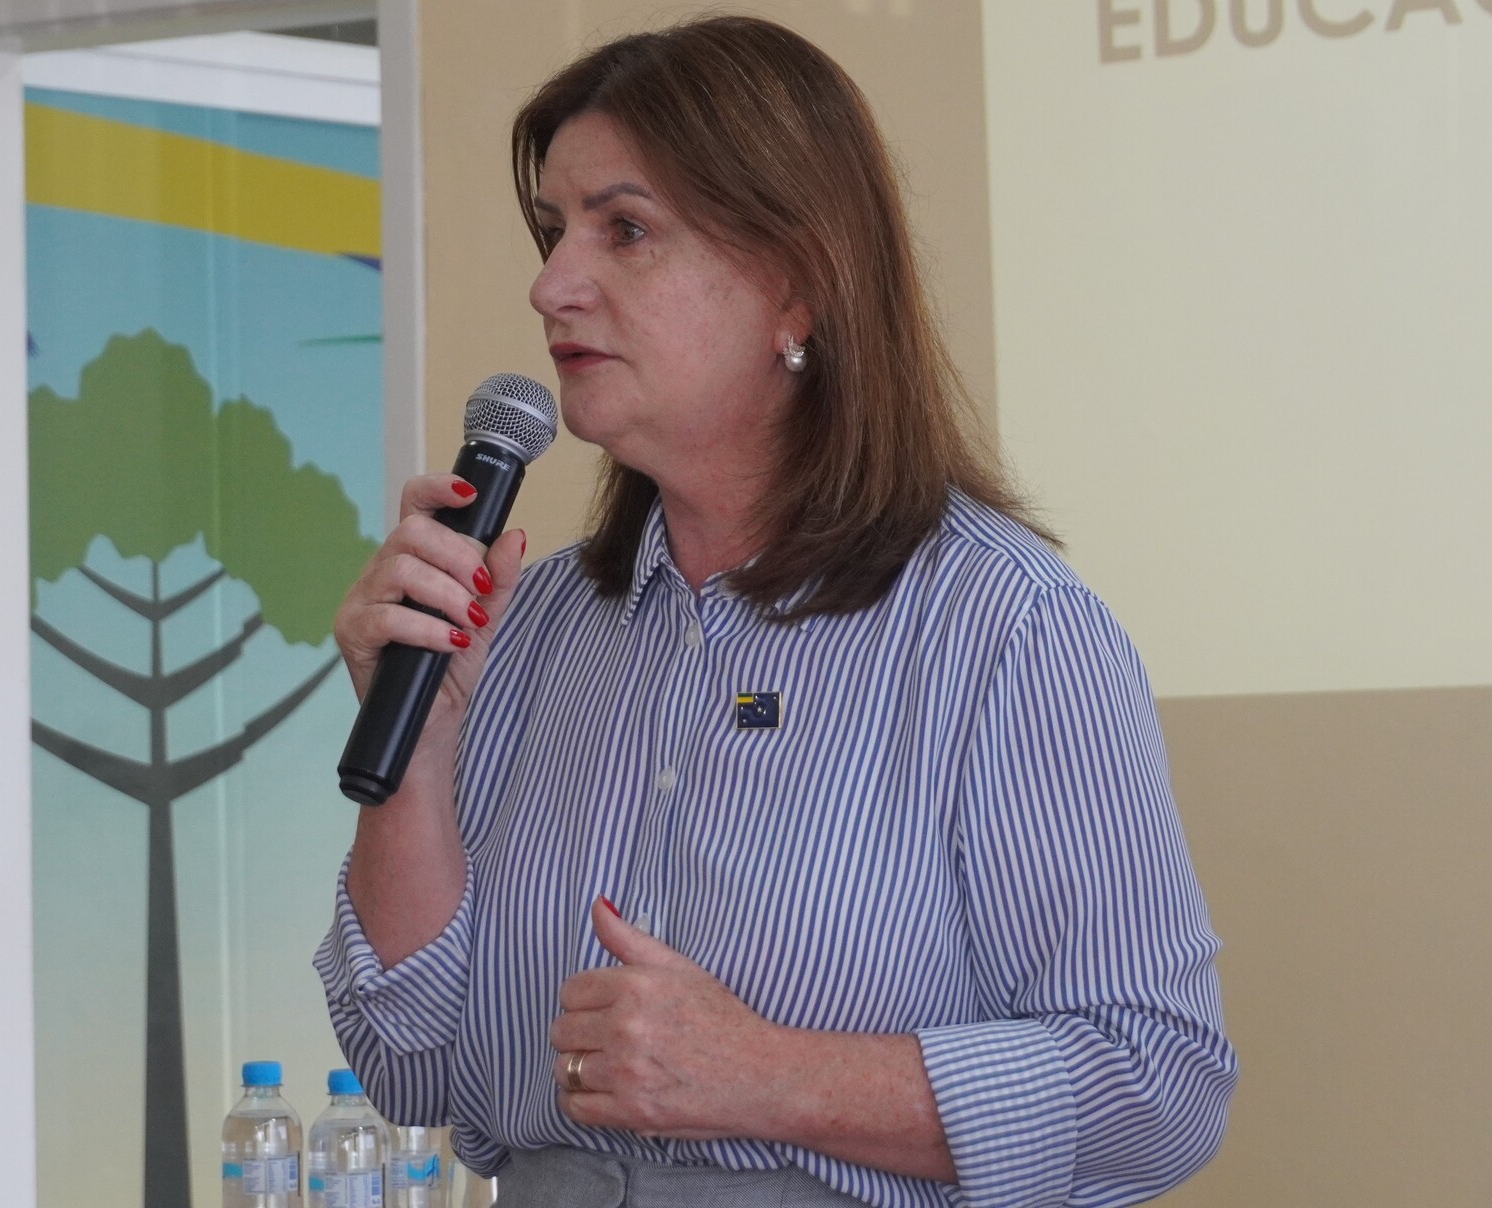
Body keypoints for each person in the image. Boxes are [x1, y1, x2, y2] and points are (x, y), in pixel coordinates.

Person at [316, 15, 1236, 1207]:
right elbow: (412, 1064)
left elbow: (1157, 1086)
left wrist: (770, 1077)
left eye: (623, 229)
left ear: (795, 285)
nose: (550, 284)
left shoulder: (1003, 627)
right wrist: (420, 754)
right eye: (553, 230)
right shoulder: (529, 625)